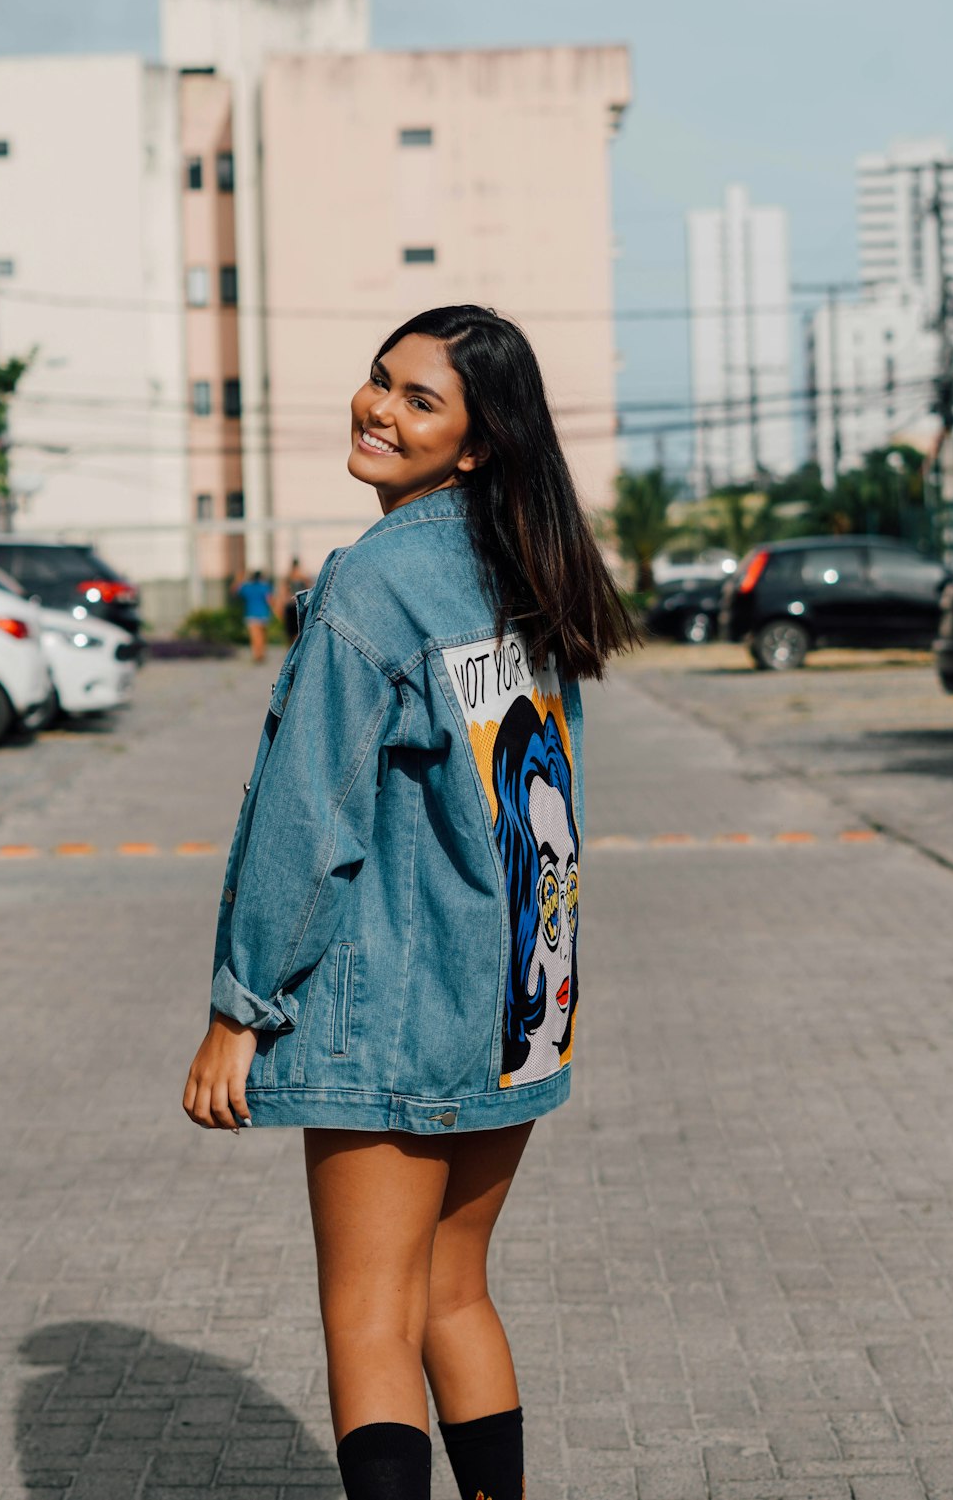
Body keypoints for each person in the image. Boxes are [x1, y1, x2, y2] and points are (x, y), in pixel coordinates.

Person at [183, 306, 630, 1500]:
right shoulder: (524, 575)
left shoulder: (375, 584)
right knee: (455, 1291)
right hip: (518, 998)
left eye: (419, 400)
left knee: (372, 1317)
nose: (379, 409)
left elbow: (305, 816)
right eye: (380, 382)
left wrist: (241, 1005)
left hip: (399, 1004)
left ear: (476, 443)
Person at [234, 568, 274, 663]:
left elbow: (236, 591)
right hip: (263, 614)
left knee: (255, 637)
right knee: (262, 636)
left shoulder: (247, 587)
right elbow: (270, 600)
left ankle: (257, 654)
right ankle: (261, 653)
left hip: (251, 614)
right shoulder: (264, 587)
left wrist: (239, 579)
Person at [280, 556, 311, 643]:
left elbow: (283, 592)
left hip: (290, 604)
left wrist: (282, 604)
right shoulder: (303, 576)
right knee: (298, 629)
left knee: (291, 631)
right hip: (298, 604)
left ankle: (291, 648)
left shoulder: (288, 576)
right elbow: (308, 589)